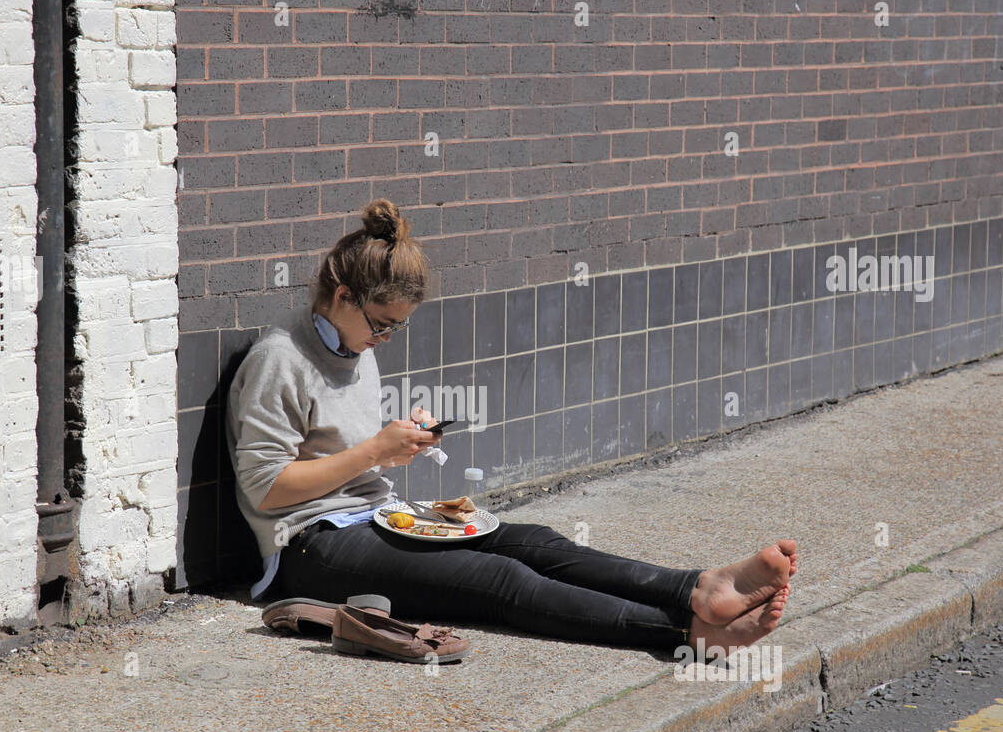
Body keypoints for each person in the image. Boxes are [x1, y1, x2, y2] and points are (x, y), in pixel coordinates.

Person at [224, 199, 796, 658]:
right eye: (381, 325)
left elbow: (346, 451)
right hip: (309, 547)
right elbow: (266, 488)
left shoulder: (356, 345)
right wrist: (375, 450)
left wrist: (396, 444)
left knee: (535, 542)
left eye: (396, 329)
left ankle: (697, 589)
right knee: (500, 578)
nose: (384, 340)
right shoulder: (280, 359)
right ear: (343, 296)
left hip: (373, 520)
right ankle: (687, 634)